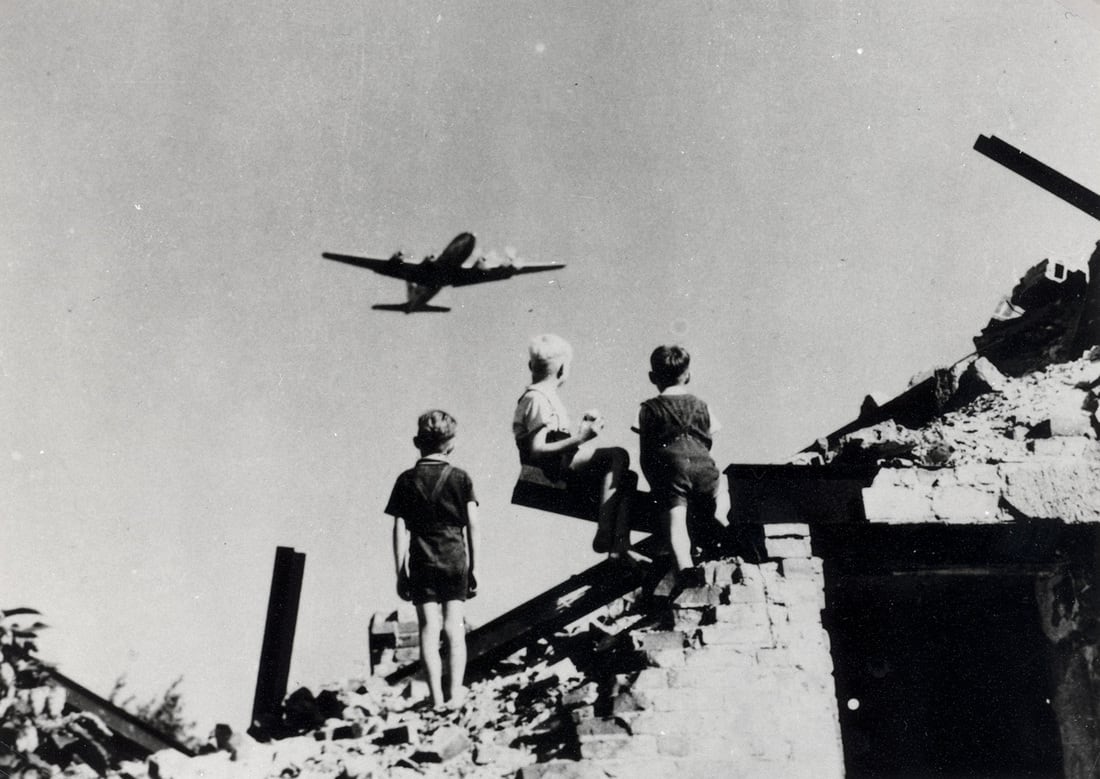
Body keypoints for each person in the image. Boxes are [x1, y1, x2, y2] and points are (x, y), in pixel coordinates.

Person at [512, 334, 642, 563]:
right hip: (552, 466)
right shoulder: (537, 398)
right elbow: (537, 449)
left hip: (561, 460)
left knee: (627, 478)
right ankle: (604, 532)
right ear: (563, 369)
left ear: (531, 365)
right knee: (618, 455)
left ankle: (619, 544)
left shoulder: (543, 397)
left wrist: (582, 429)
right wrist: (582, 438)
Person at [385, 410, 480, 710]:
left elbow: (399, 528)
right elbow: (473, 525)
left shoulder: (405, 480)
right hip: (454, 557)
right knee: (454, 626)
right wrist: (475, 567)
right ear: (451, 444)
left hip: (422, 560)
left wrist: (400, 570)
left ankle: (436, 698)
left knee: (428, 627)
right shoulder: (461, 478)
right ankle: (455, 695)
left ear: (417, 442)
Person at [636, 345, 729, 586]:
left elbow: (646, 452)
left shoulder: (648, 408)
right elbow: (711, 436)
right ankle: (720, 513)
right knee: (722, 485)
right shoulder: (702, 404)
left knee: (676, 521)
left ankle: (684, 567)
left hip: (671, 468)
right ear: (688, 375)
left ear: (652, 377)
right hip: (703, 465)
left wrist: (657, 483)